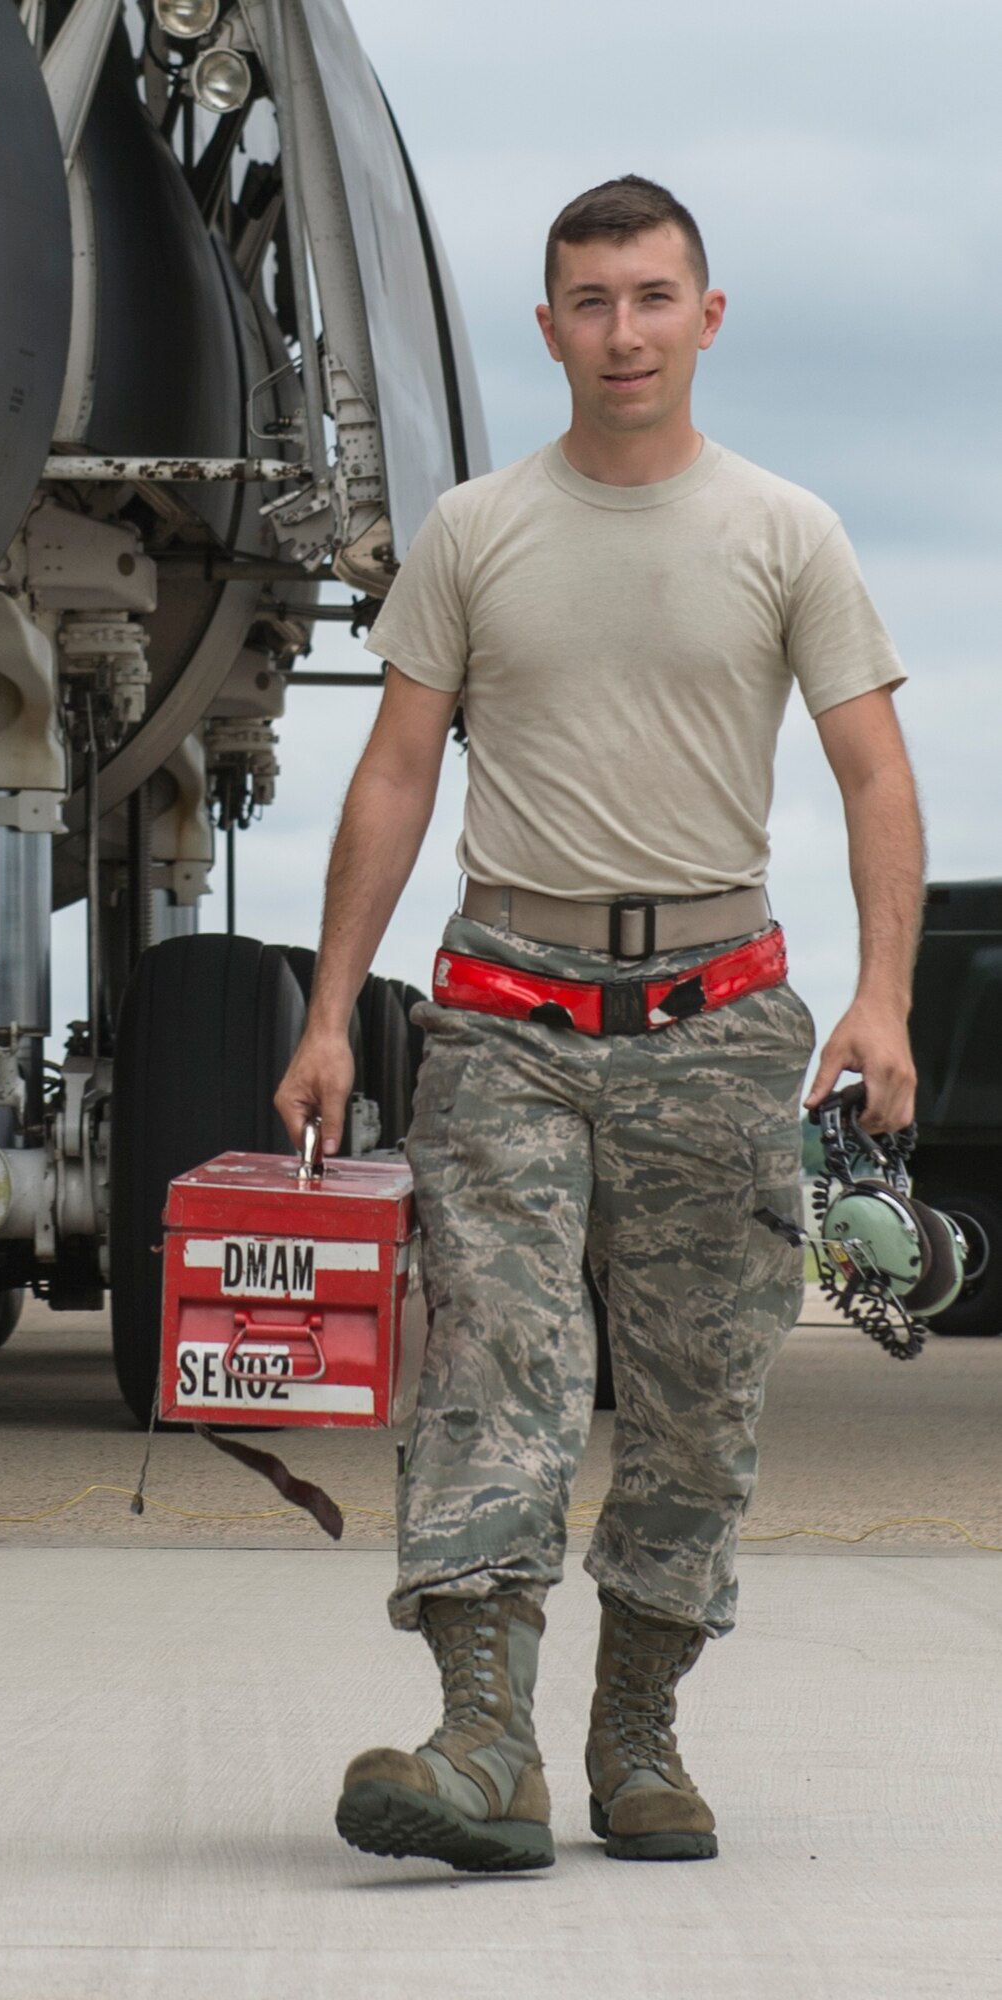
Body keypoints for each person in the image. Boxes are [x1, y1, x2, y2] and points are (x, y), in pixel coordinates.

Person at [273, 175, 924, 1873]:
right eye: (588, 299)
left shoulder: (788, 531)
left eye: (651, 297)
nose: (620, 330)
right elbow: (398, 772)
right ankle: (485, 1740)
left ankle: (637, 1731)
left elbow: (873, 774)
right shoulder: (476, 534)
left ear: (706, 318)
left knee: (703, 1400)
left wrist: (882, 995)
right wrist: (333, 1011)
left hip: (721, 1022)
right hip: (504, 1016)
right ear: (547, 323)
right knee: (495, 1363)